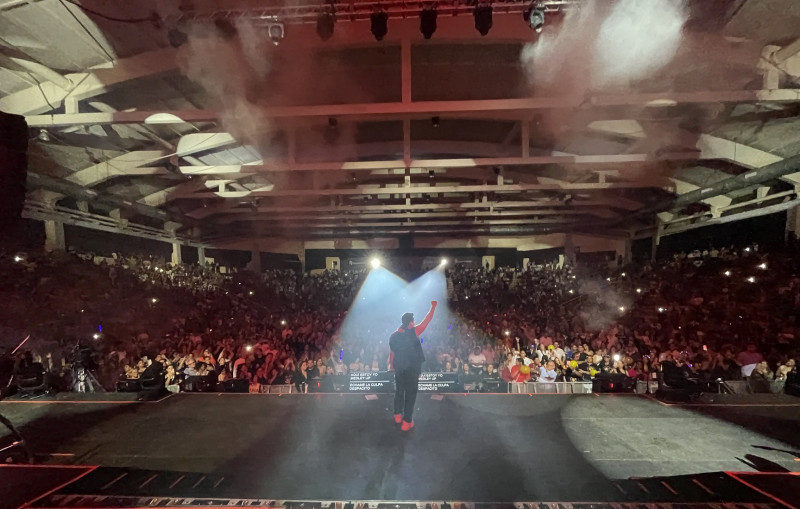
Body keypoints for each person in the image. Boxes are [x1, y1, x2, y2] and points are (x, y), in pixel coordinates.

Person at [389, 300, 437, 431]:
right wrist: (433, 307)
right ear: (410, 322)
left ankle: (397, 415)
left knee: (399, 392)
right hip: (411, 370)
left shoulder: (394, 335)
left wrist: (391, 365)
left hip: (399, 369)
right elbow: (427, 320)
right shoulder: (413, 332)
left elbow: (392, 352)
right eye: (413, 320)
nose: (414, 322)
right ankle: (407, 422)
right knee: (410, 395)